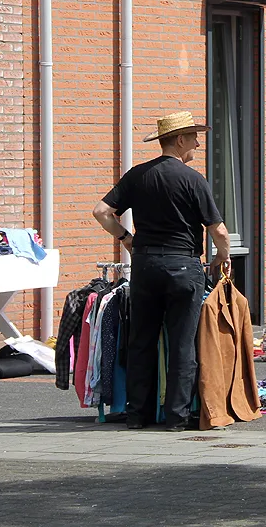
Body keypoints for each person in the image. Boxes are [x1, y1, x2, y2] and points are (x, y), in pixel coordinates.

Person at [92, 111, 232, 431]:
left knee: (142, 340)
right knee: (182, 344)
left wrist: (127, 239)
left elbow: (101, 211)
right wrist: (221, 258)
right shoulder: (193, 179)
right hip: (183, 265)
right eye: (194, 136)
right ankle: (176, 417)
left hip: (144, 265)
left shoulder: (137, 175)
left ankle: (137, 414)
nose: (198, 142)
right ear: (180, 140)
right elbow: (219, 232)